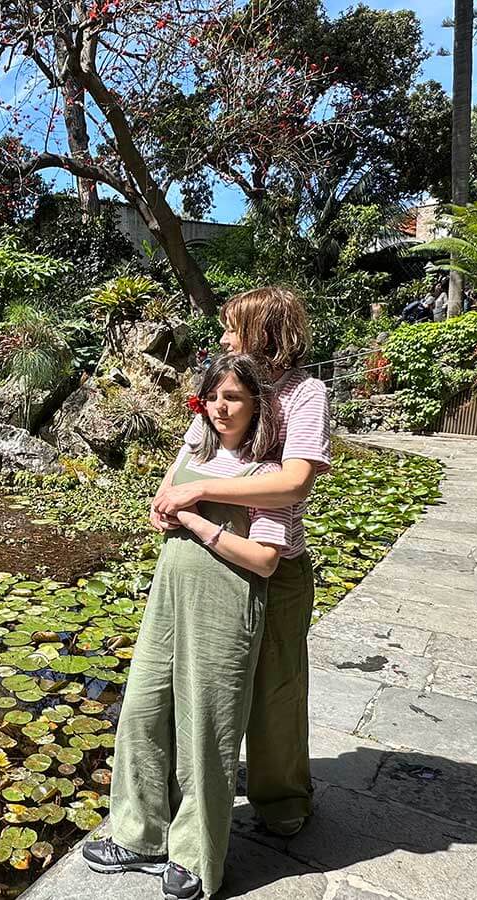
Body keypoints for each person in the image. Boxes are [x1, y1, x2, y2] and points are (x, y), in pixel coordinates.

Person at [83, 353, 294, 900]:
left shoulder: (266, 475)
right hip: (170, 595)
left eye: (234, 399)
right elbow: (166, 501)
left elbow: (266, 560)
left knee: (207, 730)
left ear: (257, 406)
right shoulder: (196, 446)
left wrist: (196, 516)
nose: (221, 409)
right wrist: (163, 511)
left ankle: (198, 858)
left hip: (226, 605)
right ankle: (139, 834)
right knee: (144, 710)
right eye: (213, 398)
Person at [151, 287, 331, 844]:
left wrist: (202, 492)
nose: (224, 339)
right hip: (207, 563)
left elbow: (296, 481)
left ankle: (282, 802)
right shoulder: (225, 380)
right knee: (202, 683)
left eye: (234, 328)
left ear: (265, 332)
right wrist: (168, 497)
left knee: (276, 690)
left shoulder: (305, 394)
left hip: (273, 558)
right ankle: (197, 788)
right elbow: (188, 454)